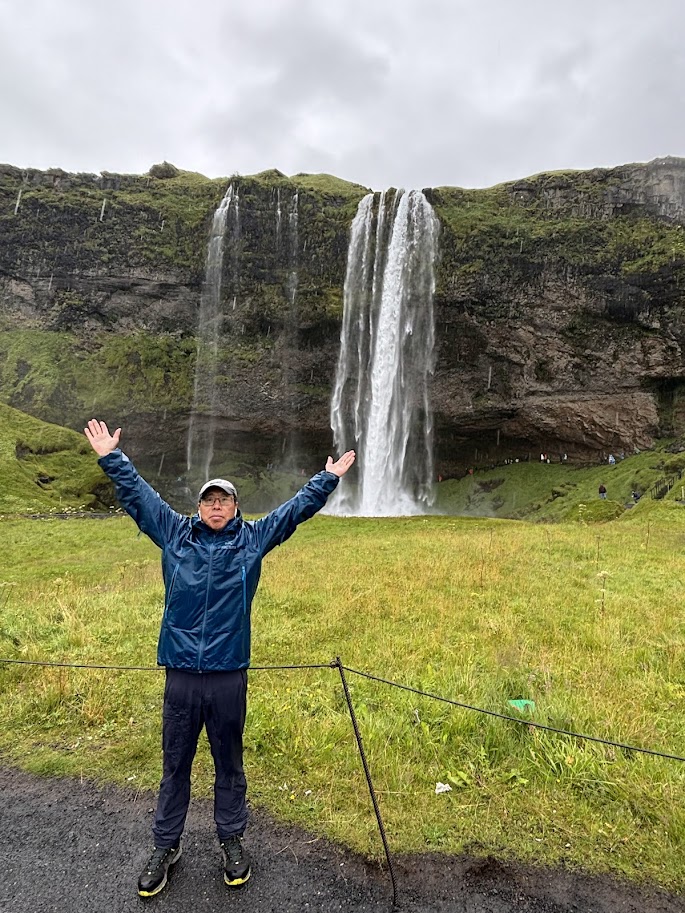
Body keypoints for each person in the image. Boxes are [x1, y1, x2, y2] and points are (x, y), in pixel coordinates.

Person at [84, 419, 355, 898]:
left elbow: (292, 513)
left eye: (224, 500)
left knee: (229, 762)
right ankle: (166, 845)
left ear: (235, 508)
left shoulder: (251, 541)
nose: (216, 506)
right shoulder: (174, 535)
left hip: (229, 674)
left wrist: (326, 480)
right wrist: (111, 458)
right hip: (183, 675)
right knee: (175, 764)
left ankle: (231, 841)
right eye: (209, 499)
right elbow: (139, 498)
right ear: (199, 506)